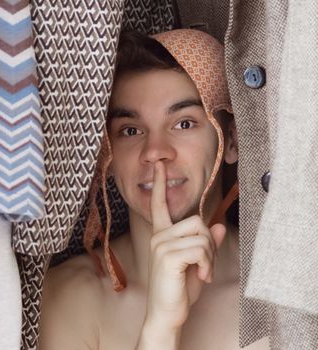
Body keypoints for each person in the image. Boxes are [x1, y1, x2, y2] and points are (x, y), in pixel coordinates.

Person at [38, 29, 269, 350]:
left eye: (184, 123)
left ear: (231, 140)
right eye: (130, 130)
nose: (155, 150)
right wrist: (161, 324)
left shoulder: (278, 301)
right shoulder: (67, 300)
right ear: (108, 157)